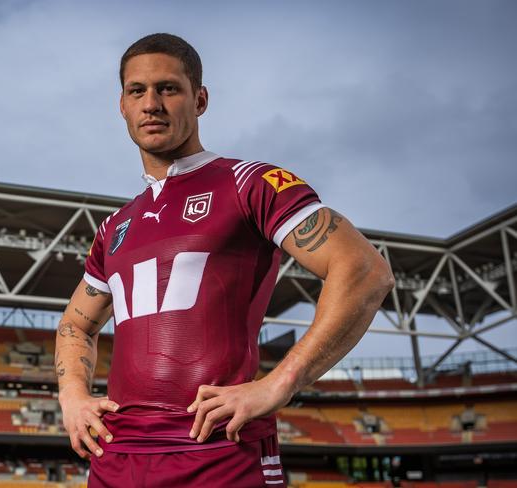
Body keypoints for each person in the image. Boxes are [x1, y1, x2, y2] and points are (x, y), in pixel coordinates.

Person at [55, 33, 395, 487]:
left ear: (200, 99)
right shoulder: (116, 225)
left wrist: (278, 384)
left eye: (168, 88)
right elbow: (76, 325)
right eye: (137, 90)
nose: (151, 103)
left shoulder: (249, 184)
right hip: (117, 459)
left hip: (218, 453)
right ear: (122, 104)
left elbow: (364, 270)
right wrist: (73, 397)